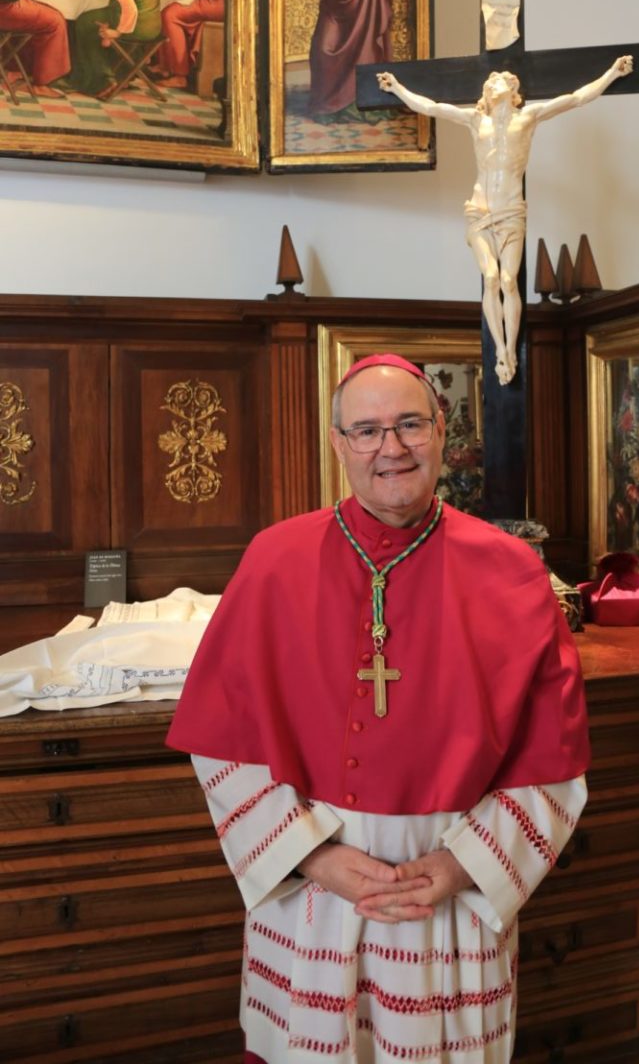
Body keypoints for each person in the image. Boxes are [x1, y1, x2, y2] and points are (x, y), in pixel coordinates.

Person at [167, 352, 591, 1064]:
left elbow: (554, 761)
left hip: (448, 898)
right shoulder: (273, 561)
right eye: (366, 431)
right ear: (338, 444)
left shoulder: (514, 573)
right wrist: (312, 856)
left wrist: (461, 868)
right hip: (314, 901)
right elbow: (223, 743)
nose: (389, 448)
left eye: (409, 425)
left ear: (443, 431)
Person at [377, 56, 634, 386]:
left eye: (500, 79)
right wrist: (397, 88)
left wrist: (612, 72)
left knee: (510, 281)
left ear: (514, 90)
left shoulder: (528, 117)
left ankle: (511, 349)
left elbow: (576, 97)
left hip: (512, 210)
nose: (494, 81)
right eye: (491, 81)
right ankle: (500, 349)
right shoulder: (475, 120)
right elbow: (431, 107)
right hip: (480, 209)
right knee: (492, 277)